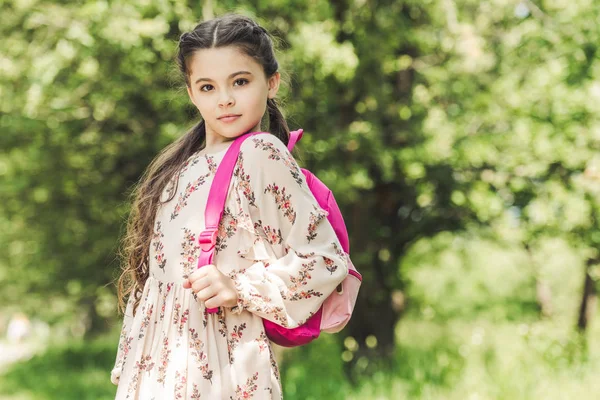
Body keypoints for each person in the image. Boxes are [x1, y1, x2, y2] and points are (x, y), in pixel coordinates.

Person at [111, 13, 349, 399]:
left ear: (271, 82)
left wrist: (239, 287)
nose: (224, 99)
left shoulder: (260, 152)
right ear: (191, 93)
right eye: (207, 87)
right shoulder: (178, 170)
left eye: (240, 82)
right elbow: (154, 289)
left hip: (221, 369)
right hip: (158, 370)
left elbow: (325, 259)